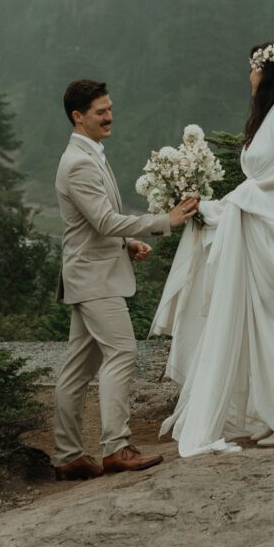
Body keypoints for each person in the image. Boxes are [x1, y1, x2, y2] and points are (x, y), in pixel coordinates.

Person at [153, 41, 274, 457]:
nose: (248, 77)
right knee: (263, 328)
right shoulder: (269, 115)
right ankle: (273, 417)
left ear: (266, 70)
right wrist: (227, 203)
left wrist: (248, 195)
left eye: (252, 68)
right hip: (262, 224)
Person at [53, 77, 198, 481]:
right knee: (122, 353)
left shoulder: (89, 154)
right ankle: (116, 448)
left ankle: (67, 455)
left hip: (91, 272)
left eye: (110, 108)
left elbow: (94, 223)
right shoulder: (80, 161)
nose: (110, 116)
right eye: (101, 111)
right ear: (78, 116)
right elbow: (102, 220)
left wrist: (128, 243)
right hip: (94, 279)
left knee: (77, 369)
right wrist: (162, 221)